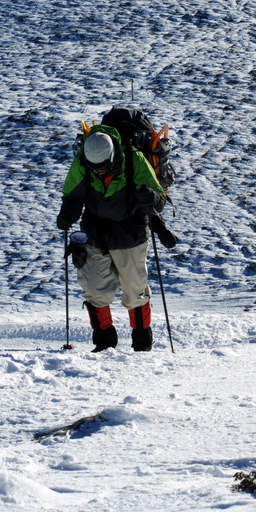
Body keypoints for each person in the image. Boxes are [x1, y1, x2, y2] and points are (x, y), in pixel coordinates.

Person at [56, 121, 167, 352]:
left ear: (113, 155)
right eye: (95, 168)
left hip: (130, 232)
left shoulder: (134, 159)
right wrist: (67, 213)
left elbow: (159, 198)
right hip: (95, 232)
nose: (99, 172)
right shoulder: (83, 162)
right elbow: (73, 195)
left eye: (104, 167)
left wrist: (149, 197)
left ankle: (141, 341)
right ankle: (104, 341)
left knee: (135, 290)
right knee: (94, 288)